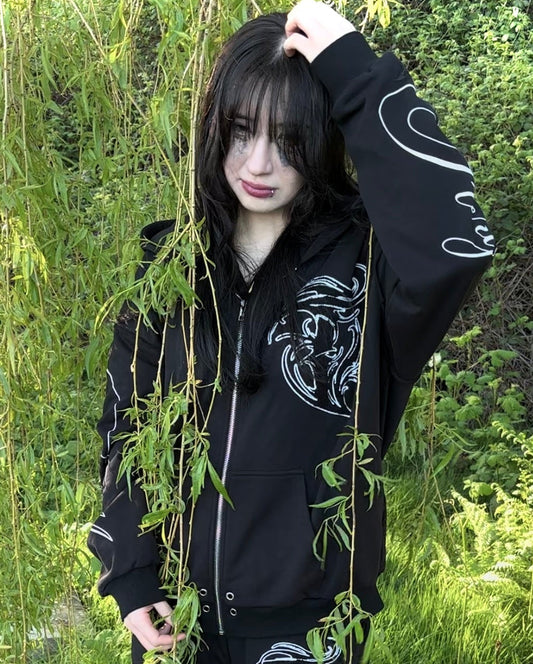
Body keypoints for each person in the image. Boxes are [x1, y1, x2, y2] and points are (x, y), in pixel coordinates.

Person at [87, 1, 494, 662]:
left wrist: (357, 76)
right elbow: (127, 425)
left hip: (310, 628)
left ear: (323, 141)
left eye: (288, 140)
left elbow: (458, 245)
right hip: (176, 622)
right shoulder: (171, 267)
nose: (258, 163)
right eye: (241, 131)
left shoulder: (372, 267)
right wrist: (130, 575)